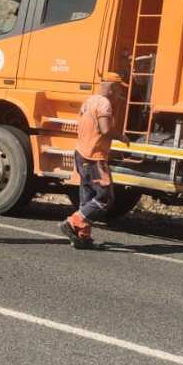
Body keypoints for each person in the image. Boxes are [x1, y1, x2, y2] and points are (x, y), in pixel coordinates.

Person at [59, 77, 127, 249]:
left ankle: (82, 237)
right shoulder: (105, 104)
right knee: (105, 197)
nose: (121, 94)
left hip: (81, 152)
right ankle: (74, 221)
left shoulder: (90, 100)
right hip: (95, 157)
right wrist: (121, 137)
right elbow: (104, 129)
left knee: (87, 196)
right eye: (119, 89)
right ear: (111, 88)